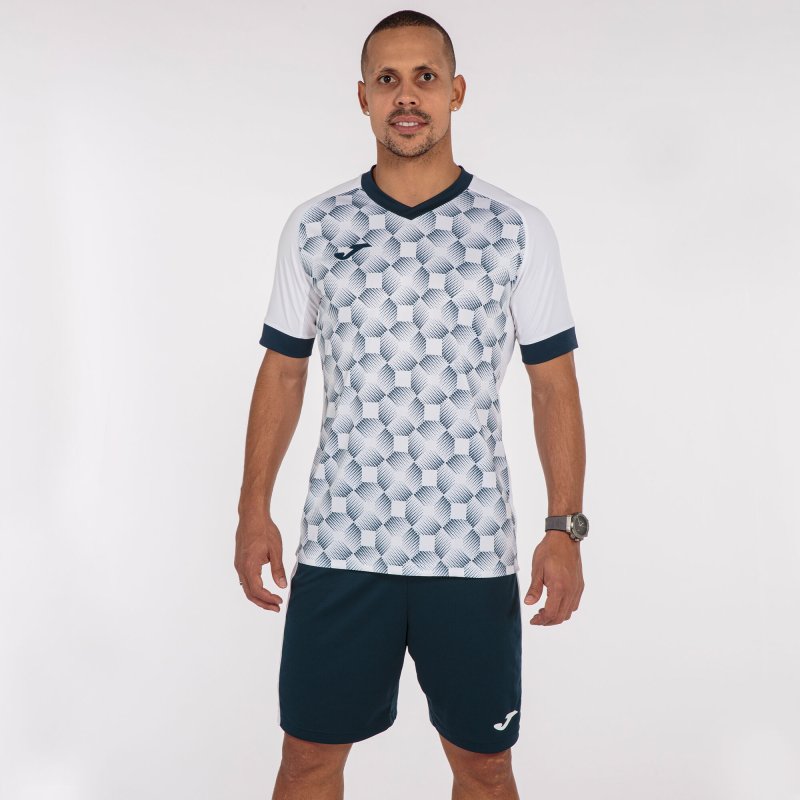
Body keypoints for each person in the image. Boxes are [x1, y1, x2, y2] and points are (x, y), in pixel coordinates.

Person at [234, 9, 587, 800]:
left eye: (425, 77)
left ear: (456, 91)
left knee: (485, 768)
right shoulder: (316, 227)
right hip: (341, 545)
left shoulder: (516, 229)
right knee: (306, 761)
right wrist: (253, 509)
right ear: (362, 96)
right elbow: (283, 372)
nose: (406, 96)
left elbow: (553, 384)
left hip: (469, 551)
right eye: (387, 79)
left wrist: (564, 528)